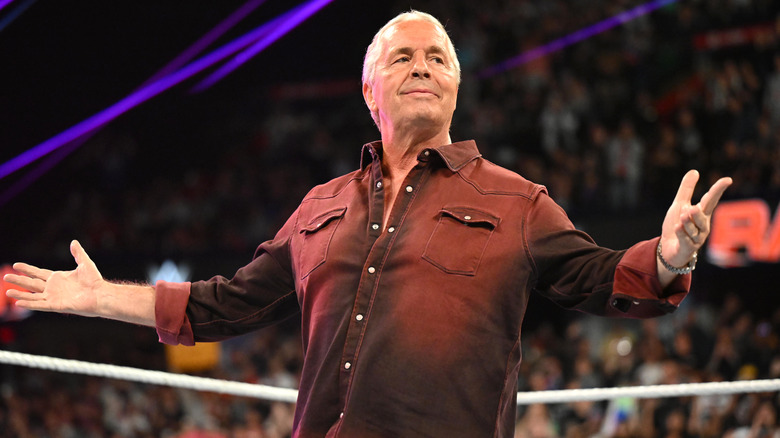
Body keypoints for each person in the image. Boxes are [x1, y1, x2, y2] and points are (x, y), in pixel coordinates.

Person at [4, 10, 732, 438]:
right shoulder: (320, 205)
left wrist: (668, 257)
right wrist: (97, 299)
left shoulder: (519, 200)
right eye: (402, 56)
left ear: (454, 85)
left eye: (438, 57)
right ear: (368, 87)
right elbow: (223, 304)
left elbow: (605, 279)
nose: (422, 66)